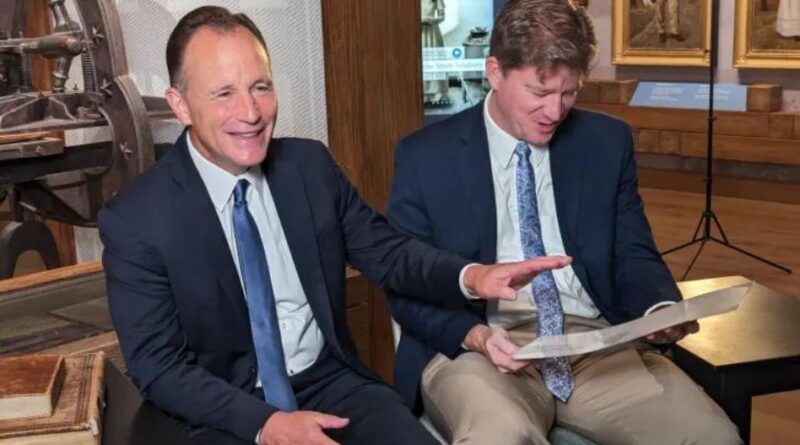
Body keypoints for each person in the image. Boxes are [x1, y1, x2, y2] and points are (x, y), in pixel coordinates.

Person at [98, 6, 572, 445]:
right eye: (224, 94)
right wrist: (267, 425)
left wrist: (472, 276)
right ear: (180, 105)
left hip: (329, 383)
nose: (251, 112)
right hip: (224, 410)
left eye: (261, 87)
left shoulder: (309, 167)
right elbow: (159, 368)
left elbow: (388, 253)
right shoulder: (136, 219)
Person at [387, 1, 742, 444]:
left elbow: (632, 252)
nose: (555, 112)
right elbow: (406, 284)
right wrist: (475, 336)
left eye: (569, 92)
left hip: (593, 342)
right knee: (499, 437)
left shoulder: (606, 142)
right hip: (480, 346)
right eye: (539, 92)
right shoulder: (425, 157)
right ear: (494, 72)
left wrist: (659, 310)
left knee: (712, 437)